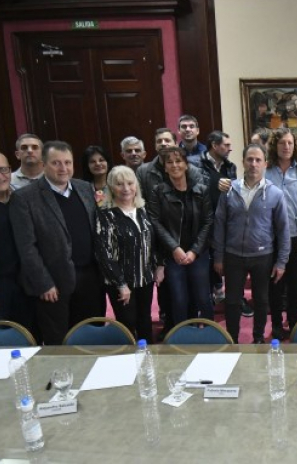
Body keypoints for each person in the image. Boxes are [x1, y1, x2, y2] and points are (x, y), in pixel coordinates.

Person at [10, 141, 104, 344]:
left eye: (67, 162)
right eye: (56, 163)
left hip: (90, 277)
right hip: (54, 284)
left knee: (93, 337)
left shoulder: (85, 188)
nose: (63, 168)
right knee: (58, 341)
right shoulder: (24, 198)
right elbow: (27, 248)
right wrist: (44, 283)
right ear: (44, 164)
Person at [214, 144, 290, 344]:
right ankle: (231, 339)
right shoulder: (229, 190)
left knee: (262, 300)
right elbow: (220, 224)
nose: (254, 164)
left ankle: (258, 339)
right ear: (243, 162)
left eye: (258, 160)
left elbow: (283, 230)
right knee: (232, 301)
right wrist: (218, 257)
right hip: (233, 255)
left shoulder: (275, 194)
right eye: (250, 159)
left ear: (265, 163)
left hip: (262, 256)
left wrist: (281, 262)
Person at [149, 147, 214, 327]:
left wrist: (194, 251)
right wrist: (174, 248)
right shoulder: (158, 191)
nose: (175, 165)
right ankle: (182, 337)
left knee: (203, 297)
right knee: (179, 299)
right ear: (165, 167)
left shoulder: (201, 189)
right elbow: (155, 222)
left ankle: (211, 334)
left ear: (186, 165)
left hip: (198, 253)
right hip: (172, 255)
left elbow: (208, 222)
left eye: (178, 161)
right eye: (169, 162)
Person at [95, 165, 160, 342]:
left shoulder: (143, 210)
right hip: (121, 283)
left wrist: (159, 265)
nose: (126, 188)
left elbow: (153, 242)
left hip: (144, 278)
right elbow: (104, 253)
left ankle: (149, 359)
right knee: (127, 324)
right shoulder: (106, 214)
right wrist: (121, 284)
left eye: (130, 183)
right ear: (111, 187)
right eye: (119, 184)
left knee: (145, 321)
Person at [265, 129, 297, 339]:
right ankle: (276, 323)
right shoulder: (266, 170)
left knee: (295, 282)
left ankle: (293, 321)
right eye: (282, 143)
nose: (286, 147)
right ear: (275, 146)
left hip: (295, 234)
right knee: (275, 283)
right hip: (271, 236)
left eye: (290, 143)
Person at [188, 130, 237, 304]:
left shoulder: (230, 167)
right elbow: (191, 187)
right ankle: (205, 301)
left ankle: (230, 299)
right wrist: (213, 184)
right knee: (204, 263)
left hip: (223, 220)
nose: (230, 149)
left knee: (223, 261)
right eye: (227, 145)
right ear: (215, 145)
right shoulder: (193, 163)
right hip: (201, 220)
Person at [0, 152, 34, 333]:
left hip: (26, 285)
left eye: (3, 170)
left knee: (31, 336)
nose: (0, 176)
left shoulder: (21, 200)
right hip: (1, 285)